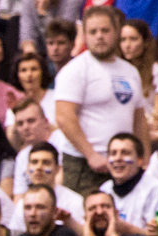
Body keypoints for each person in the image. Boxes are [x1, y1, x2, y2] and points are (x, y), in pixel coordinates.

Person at [55, 6, 151, 197]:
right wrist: (91, 155)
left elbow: (139, 120)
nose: (99, 36)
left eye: (105, 30)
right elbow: (64, 117)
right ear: (85, 35)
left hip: (125, 163)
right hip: (84, 164)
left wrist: (145, 159)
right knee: (85, 222)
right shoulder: (75, 70)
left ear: (116, 32)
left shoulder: (130, 71)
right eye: (93, 31)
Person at [102, 133, 158, 234]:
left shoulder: (157, 189)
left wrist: (128, 229)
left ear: (140, 160)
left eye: (125, 153)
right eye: (113, 153)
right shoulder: (104, 189)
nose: (118, 158)